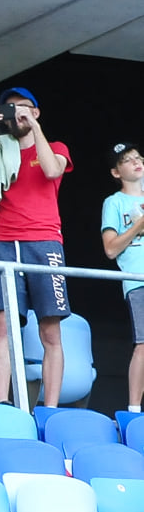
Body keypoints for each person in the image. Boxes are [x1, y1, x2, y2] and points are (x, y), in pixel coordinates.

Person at [0, 88, 72, 407]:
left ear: (35, 111)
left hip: (45, 243)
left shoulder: (55, 147)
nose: (16, 114)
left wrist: (34, 126)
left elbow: (52, 170)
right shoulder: (0, 148)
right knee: (3, 326)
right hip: (5, 242)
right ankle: (2, 402)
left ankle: (50, 408)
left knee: (50, 331)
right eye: (9, 109)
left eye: (22, 108)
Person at [102, 143, 144, 411]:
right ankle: (134, 410)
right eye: (127, 160)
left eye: (138, 157)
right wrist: (138, 225)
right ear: (116, 172)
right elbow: (110, 249)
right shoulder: (114, 202)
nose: (136, 162)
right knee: (143, 344)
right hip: (139, 280)